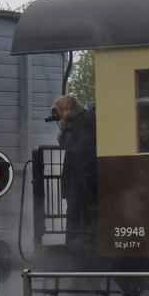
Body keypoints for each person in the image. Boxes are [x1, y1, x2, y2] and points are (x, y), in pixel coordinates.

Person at [47, 95, 98, 250]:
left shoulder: (79, 124)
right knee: (77, 206)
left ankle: (76, 239)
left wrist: (64, 124)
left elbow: (67, 144)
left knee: (77, 207)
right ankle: (77, 237)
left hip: (80, 171)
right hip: (79, 170)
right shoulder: (82, 120)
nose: (59, 114)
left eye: (60, 110)